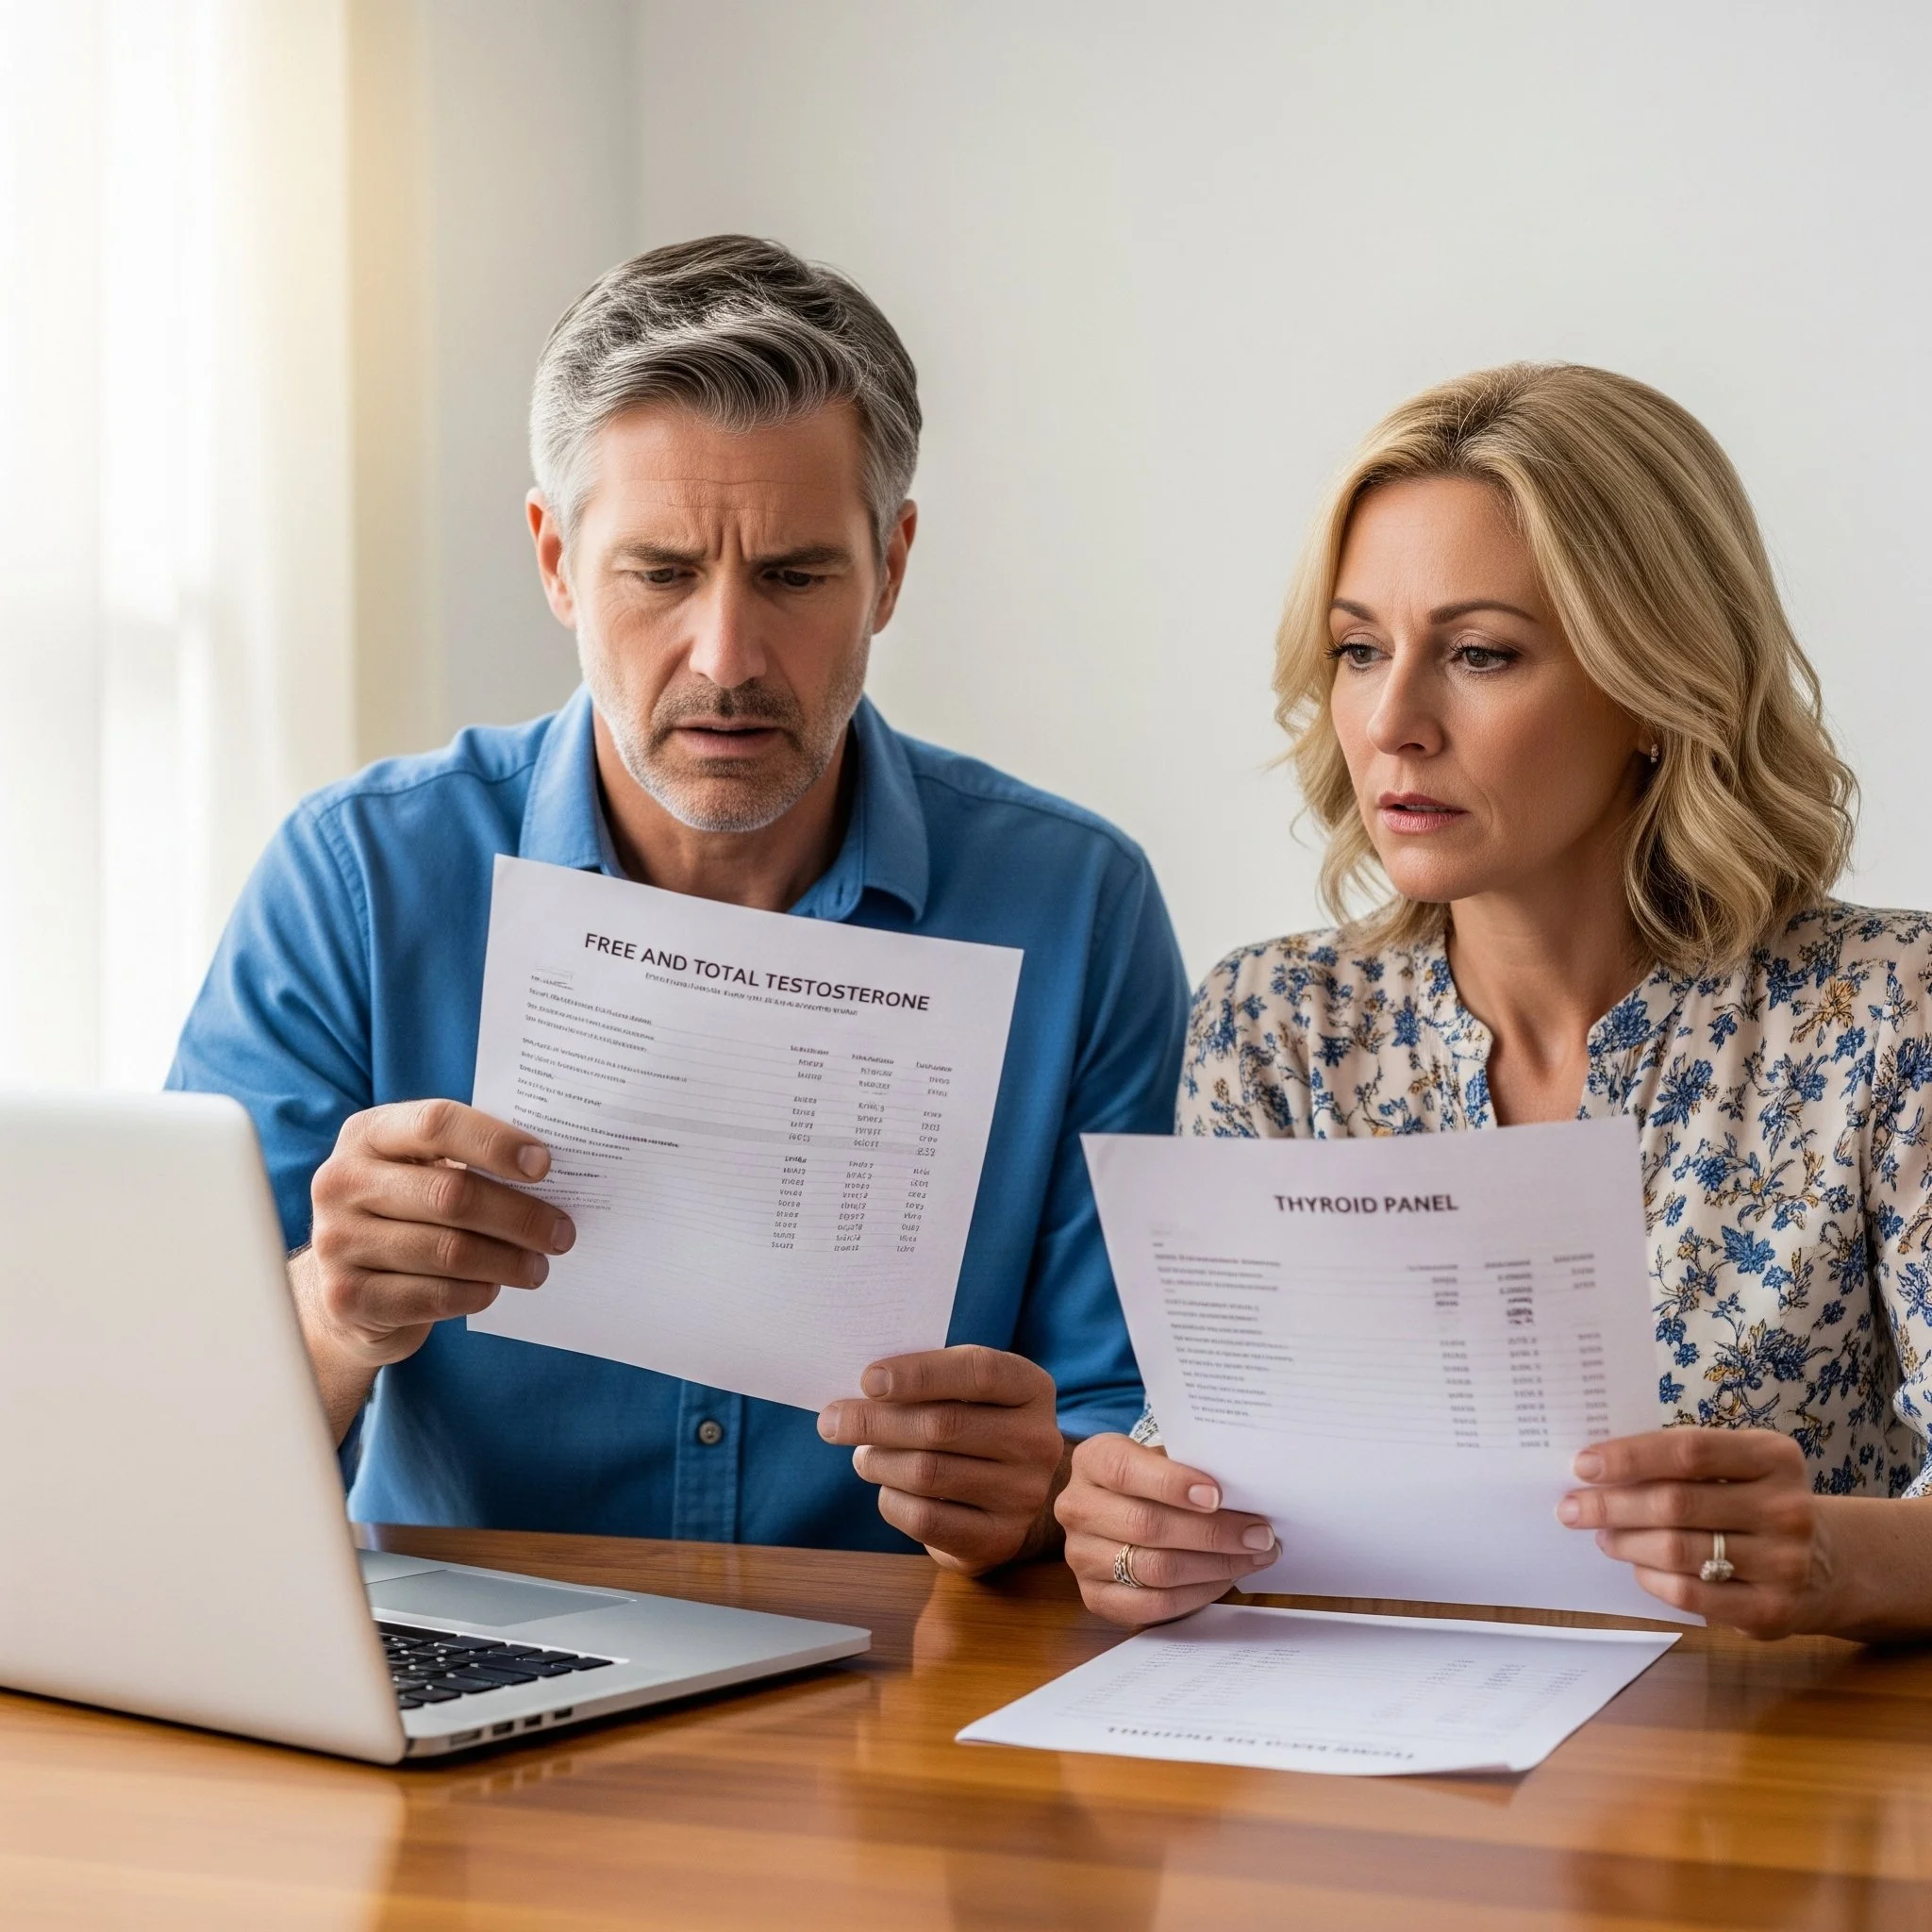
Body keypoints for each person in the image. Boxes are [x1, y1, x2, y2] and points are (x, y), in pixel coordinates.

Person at [170, 235, 1188, 1574]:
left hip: (891, 1699)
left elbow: (1139, 1434)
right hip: (473, 1682)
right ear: (554, 560)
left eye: (795, 575)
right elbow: (158, 1449)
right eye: (659, 573)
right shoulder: (359, 883)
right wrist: (328, 1317)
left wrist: (1051, 1494)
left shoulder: (1074, 909)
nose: (727, 658)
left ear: (890, 565)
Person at [1058, 361, 1932, 1640]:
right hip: (1353, 1787)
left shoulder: (1887, 1017)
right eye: (1360, 651)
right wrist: (1136, 1533)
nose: (1394, 721)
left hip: (1760, 1789)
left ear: (1654, 685)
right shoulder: (1277, 1023)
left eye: (1479, 653)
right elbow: (1192, 1486)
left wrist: (1831, 1564)